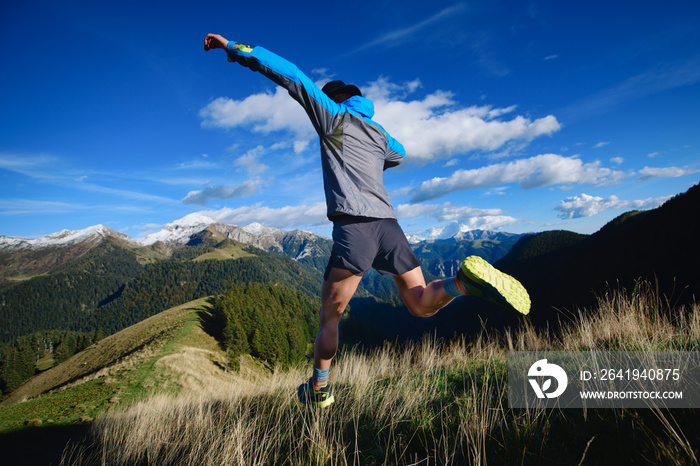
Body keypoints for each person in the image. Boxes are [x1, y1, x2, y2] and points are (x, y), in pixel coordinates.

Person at [204, 33, 530, 408]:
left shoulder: (332, 118)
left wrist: (234, 49)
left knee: (330, 318)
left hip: (354, 227)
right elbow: (401, 152)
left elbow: (291, 75)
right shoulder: (378, 134)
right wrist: (374, 146)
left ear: (334, 100)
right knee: (421, 303)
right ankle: (462, 284)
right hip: (389, 226)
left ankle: (319, 389)